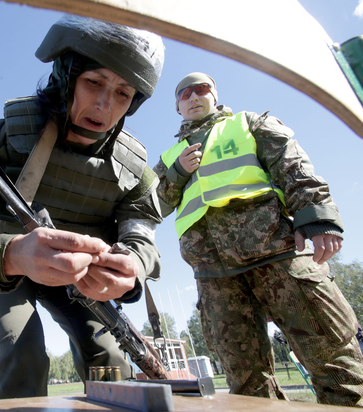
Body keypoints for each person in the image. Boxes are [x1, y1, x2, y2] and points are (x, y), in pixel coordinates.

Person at [0, 15, 165, 400]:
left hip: (85, 280)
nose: (104, 105)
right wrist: (11, 254)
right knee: (23, 350)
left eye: (123, 93)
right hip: (9, 270)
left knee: (110, 357)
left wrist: (131, 265)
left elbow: (141, 236)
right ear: (66, 76)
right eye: (94, 82)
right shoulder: (2, 140)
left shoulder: (132, 170)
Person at [153, 72, 363, 407]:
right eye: (184, 94)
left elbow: (290, 163)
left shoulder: (248, 123)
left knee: (331, 358)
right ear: (177, 107)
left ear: (215, 93)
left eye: (201, 89)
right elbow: (154, 203)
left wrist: (317, 217)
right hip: (213, 271)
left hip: (275, 250)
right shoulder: (169, 158)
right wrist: (177, 171)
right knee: (245, 379)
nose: (193, 97)